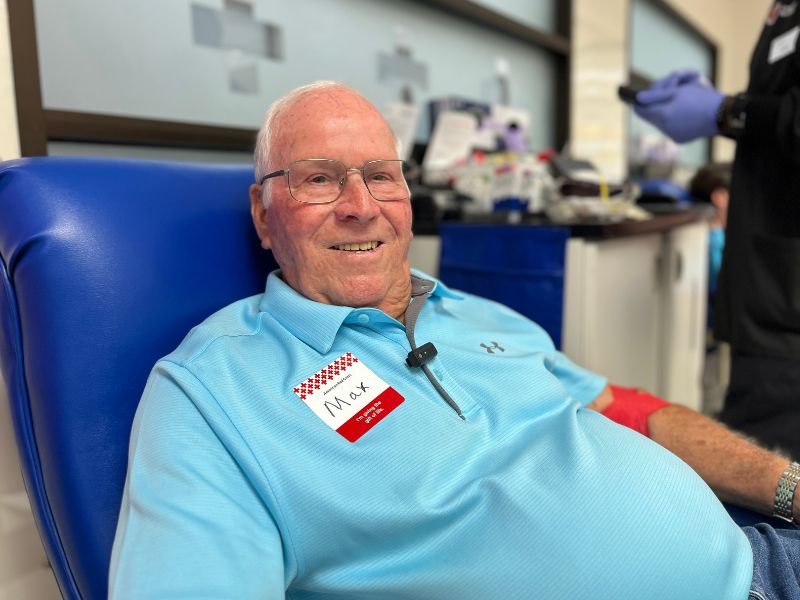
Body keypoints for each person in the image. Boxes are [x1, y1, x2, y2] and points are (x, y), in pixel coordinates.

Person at [109, 81, 799, 599]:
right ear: (264, 215)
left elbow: (624, 409)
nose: (361, 204)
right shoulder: (212, 391)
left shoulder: (481, 315)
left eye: (381, 175)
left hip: (765, 557)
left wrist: (789, 488)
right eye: (319, 179)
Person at [630, 1, 800, 459]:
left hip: (788, 317)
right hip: (766, 299)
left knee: (769, 493)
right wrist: (729, 106)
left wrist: (727, 110)